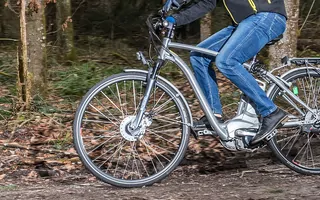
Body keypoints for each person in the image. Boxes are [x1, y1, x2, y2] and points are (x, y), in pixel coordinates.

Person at [165, 0, 288, 144]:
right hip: (246, 22)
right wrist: (174, 19)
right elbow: (206, 3)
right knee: (199, 57)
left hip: (267, 15)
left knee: (227, 61)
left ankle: (270, 111)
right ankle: (214, 116)